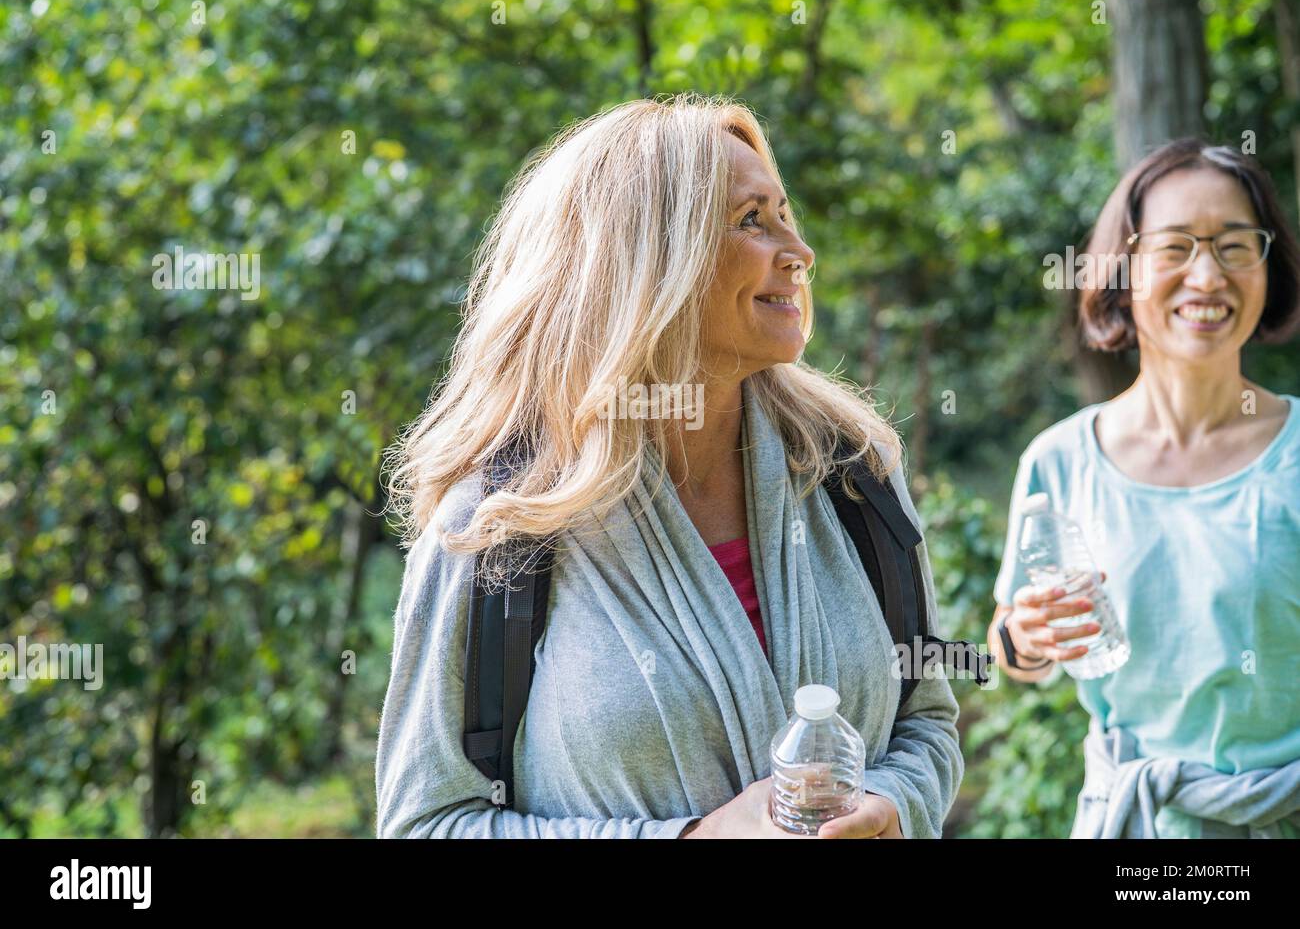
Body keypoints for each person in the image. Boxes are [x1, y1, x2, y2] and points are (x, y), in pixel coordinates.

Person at [375, 93, 962, 838]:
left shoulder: (852, 469)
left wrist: (895, 808)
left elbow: (928, 719)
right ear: (646, 262)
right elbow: (428, 823)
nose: (800, 252)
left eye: (786, 214)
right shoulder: (498, 528)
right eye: (753, 221)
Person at [988, 139, 1300, 838]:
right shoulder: (1061, 459)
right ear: (1122, 270)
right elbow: (1012, 646)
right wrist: (1028, 638)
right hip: (1135, 826)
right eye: (1176, 247)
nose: (1207, 274)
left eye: (1234, 246)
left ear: (1266, 265)